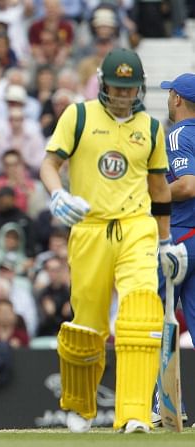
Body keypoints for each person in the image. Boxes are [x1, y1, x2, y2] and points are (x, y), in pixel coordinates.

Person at [39, 48, 188, 434]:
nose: (124, 96)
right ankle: (80, 404)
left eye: (130, 88)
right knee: (87, 327)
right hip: (89, 228)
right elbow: (49, 164)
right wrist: (58, 194)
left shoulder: (151, 128)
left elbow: (158, 188)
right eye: (118, 88)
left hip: (137, 227)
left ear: (139, 88)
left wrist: (166, 240)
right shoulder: (79, 115)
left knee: (141, 310)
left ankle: (135, 412)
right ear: (105, 85)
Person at [151, 73, 195, 426]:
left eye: (169, 94)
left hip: (179, 238)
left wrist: (147, 196)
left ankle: (160, 405)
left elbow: (186, 185)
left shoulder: (179, 134)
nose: (167, 99)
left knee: (157, 319)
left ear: (178, 99)